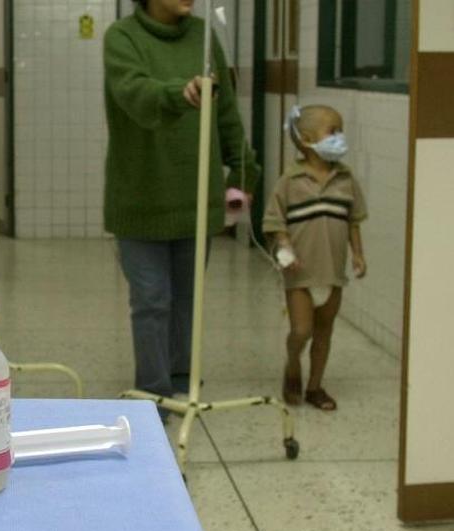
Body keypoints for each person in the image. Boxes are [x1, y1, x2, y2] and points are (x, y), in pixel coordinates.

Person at [103, 0, 259, 410]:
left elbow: (226, 111)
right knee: (152, 299)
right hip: (141, 196)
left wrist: (243, 170)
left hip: (196, 195)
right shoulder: (123, 38)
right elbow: (133, 92)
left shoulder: (204, 37)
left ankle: (181, 378)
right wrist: (181, 93)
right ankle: (153, 394)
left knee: (188, 299)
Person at [264, 104, 367, 411]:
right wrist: (285, 250)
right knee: (301, 331)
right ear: (307, 139)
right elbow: (274, 223)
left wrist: (358, 254)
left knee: (324, 332)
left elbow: (353, 220)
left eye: (341, 131)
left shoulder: (346, 179)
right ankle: (293, 361)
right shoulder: (290, 181)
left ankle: (315, 386)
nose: (339, 138)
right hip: (300, 273)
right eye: (333, 131)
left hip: (333, 272)